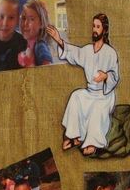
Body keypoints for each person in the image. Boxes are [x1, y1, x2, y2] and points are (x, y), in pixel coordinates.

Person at [45, 13, 119, 157]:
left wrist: (105, 76)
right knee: (76, 96)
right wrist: (58, 40)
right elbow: (73, 53)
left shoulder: (110, 53)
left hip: (105, 95)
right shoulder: (87, 50)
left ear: (104, 30)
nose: (94, 30)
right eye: (93, 26)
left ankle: (92, 143)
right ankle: (75, 137)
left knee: (97, 108)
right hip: (90, 92)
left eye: (98, 27)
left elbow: (115, 77)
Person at [16, 0, 55, 68]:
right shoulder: (28, 43)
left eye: (31, 19)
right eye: (24, 18)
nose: (25, 23)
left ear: (41, 23)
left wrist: (30, 65)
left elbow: (49, 69)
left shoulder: (40, 46)